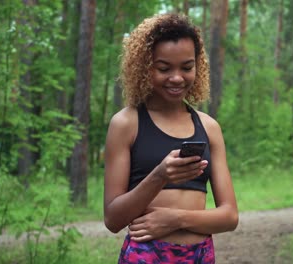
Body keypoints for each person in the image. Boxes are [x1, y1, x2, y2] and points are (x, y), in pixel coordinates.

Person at [103, 13, 238, 264]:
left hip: (200, 256)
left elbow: (230, 216)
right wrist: (160, 175)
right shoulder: (126, 123)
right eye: (164, 68)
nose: (177, 78)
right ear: (145, 67)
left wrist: (176, 219)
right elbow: (113, 219)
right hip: (146, 256)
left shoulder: (209, 127)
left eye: (187, 67)